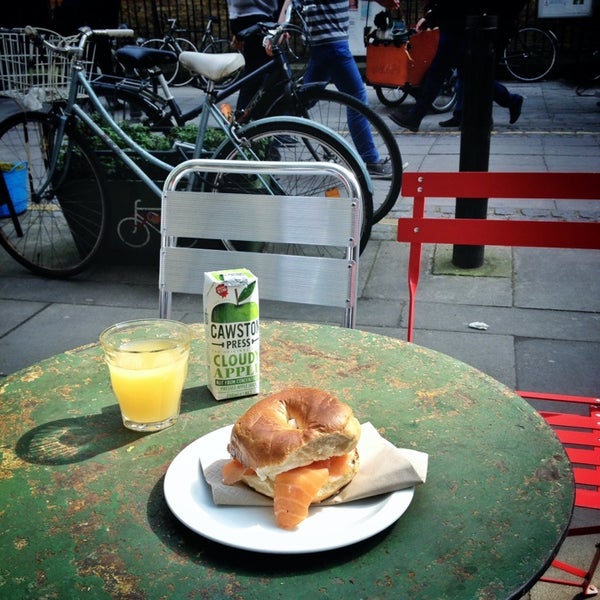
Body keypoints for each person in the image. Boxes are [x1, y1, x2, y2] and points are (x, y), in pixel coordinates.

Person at [278, 0, 400, 179]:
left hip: (319, 45)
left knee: (303, 101)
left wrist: (282, 26)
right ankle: (371, 160)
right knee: (357, 100)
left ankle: (268, 136)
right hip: (334, 45)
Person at [388, 0, 524, 132]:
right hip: (458, 24)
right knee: (471, 76)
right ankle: (507, 102)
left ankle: (415, 116)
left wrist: (431, 17)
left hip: (457, 26)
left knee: (438, 73)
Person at [227, 0, 283, 112]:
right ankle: (244, 119)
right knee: (273, 74)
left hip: (251, 21)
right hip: (262, 22)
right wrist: (281, 26)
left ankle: (244, 118)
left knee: (255, 74)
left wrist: (237, 30)